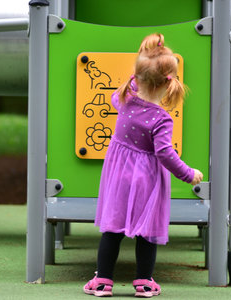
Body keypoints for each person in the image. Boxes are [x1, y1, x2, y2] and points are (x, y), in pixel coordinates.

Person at [83, 33, 204, 298]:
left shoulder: (125, 99)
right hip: (147, 179)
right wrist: (188, 174)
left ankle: (102, 283)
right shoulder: (162, 118)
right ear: (168, 83)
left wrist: (134, 79)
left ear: (136, 78)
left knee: (112, 230)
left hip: (118, 176)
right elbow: (165, 153)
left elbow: (117, 96)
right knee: (147, 232)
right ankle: (144, 282)